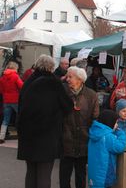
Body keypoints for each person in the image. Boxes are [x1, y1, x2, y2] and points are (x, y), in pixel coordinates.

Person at [17, 55, 73, 188]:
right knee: (44, 173)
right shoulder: (54, 82)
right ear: (51, 67)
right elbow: (67, 106)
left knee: (31, 172)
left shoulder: (28, 82)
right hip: (47, 136)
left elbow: (20, 107)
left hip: (28, 135)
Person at [60, 66, 99, 188]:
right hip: (65, 140)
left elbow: (95, 117)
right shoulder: (62, 93)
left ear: (80, 79)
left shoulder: (91, 95)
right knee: (64, 175)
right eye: (67, 76)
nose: (67, 79)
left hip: (84, 140)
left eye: (70, 77)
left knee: (81, 174)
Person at [88, 109, 126, 188]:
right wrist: (121, 133)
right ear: (110, 122)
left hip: (94, 173)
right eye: (116, 122)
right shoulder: (107, 136)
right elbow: (119, 147)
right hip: (105, 173)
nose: (117, 125)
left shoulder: (95, 132)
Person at [0, 61, 23, 144]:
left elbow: (1, 90)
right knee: (21, 117)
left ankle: (1, 137)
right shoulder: (15, 76)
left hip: (6, 100)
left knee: (5, 120)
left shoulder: (2, 78)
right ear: (15, 67)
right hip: (15, 100)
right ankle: (22, 135)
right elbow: (21, 86)